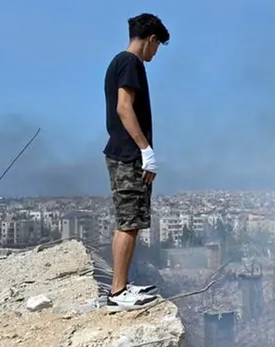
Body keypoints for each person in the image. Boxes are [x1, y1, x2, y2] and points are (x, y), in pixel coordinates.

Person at [103, 13, 170, 312]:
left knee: (129, 221)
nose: (155, 53)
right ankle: (117, 292)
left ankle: (121, 285)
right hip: (128, 154)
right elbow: (123, 107)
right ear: (151, 39)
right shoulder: (130, 63)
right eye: (157, 47)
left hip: (125, 153)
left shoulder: (119, 62)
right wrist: (145, 149)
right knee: (128, 223)